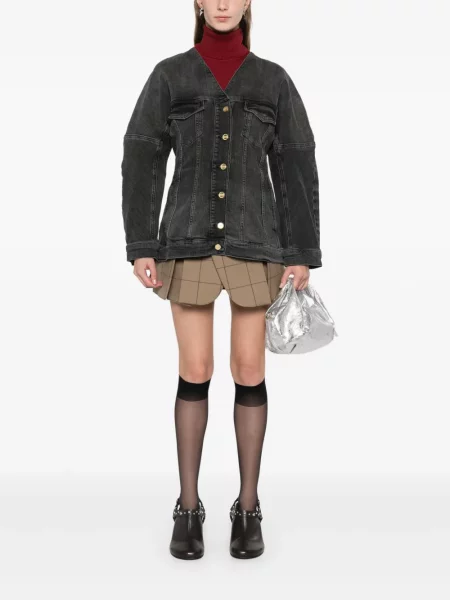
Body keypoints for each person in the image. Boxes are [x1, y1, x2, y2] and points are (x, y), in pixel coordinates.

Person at [121, 0, 322, 560]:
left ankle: (248, 506)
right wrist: (141, 242)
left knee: (250, 371)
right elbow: (141, 154)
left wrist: (301, 251)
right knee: (195, 370)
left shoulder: (273, 80)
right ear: (198, 2)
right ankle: (188, 507)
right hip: (185, 241)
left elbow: (296, 161)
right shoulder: (170, 76)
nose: (225, 3)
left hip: (256, 243)